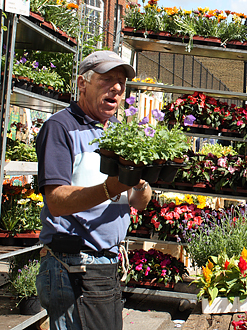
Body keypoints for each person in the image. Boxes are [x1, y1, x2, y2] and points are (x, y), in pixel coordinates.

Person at [35, 51, 152, 330]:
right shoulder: (61, 127)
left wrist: (140, 182)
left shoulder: (120, 133)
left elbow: (140, 202)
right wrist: (113, 185)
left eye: (121, 82)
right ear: (82, 83)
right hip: (72, 266)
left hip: (104, 266)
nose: (116, 87)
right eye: (107, 79)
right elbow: (57, 201)